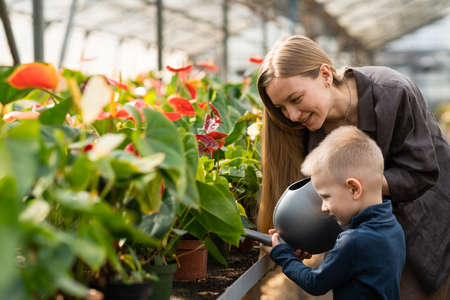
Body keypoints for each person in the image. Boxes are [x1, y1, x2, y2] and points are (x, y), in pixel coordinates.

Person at [256, 35, 450, 299]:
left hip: (427, 221)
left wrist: (357, 182)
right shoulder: (303, 124)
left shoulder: (392, 91)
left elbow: (422, 170)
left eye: (296, 98)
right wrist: (302, 234)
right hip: (368, 235)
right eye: (282, 108)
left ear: (325, 75)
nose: (292, 115)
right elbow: (325, 197)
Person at [267, 125, 406, 299]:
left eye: (326, 197)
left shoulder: (353, 241)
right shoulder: (393, 228)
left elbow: (315, 283)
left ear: (354, 189)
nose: (324, 207)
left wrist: (284, 256)